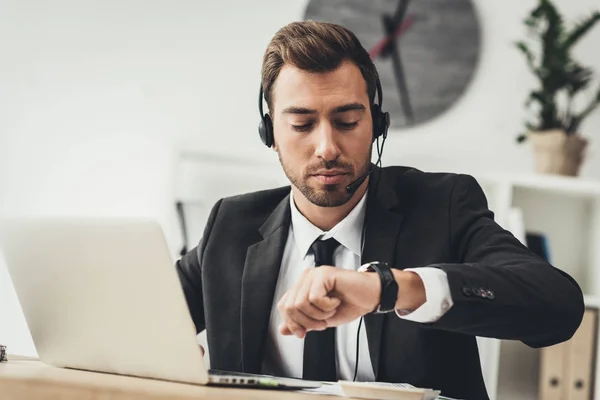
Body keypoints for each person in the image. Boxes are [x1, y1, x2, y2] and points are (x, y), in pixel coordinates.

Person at [176, 20, 584, 400]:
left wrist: (391, 287)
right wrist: (166, 354)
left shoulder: (443, 206)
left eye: (348, 121)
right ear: (270, 134)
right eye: (301, 125)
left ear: (377, 123)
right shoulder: (230, 226)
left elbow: (558, 306)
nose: (327, 149)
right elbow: (136, 319)